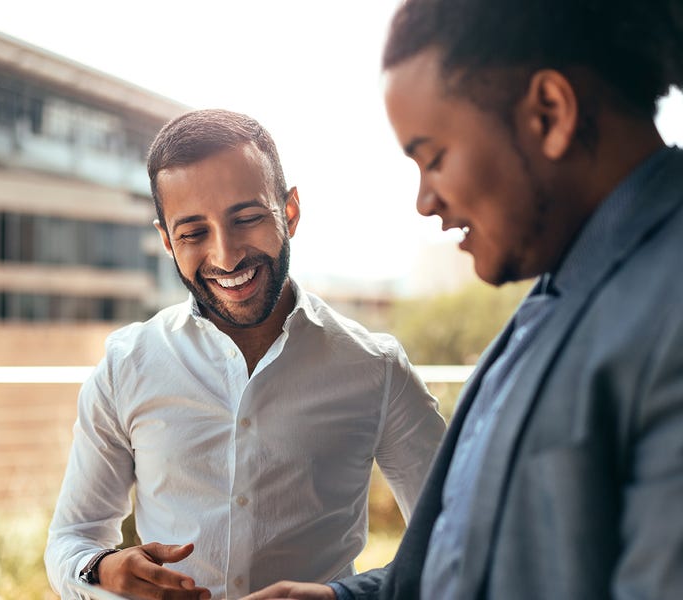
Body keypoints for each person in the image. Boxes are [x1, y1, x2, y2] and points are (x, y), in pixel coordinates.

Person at [243, 0, 683, 599]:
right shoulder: (552, 298)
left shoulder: (666, 311)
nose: (426, 201)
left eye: (434, 158)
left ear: (550, 114)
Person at [44, 108, 445, 600]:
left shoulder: (377, 369)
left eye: (248, 219)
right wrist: (102, 569)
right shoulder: (127, 365)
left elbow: (456, 540)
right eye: (193, 233)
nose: (227, 256)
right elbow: (73, 538)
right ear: (167, 241)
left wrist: (342, 599)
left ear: (290, 212)